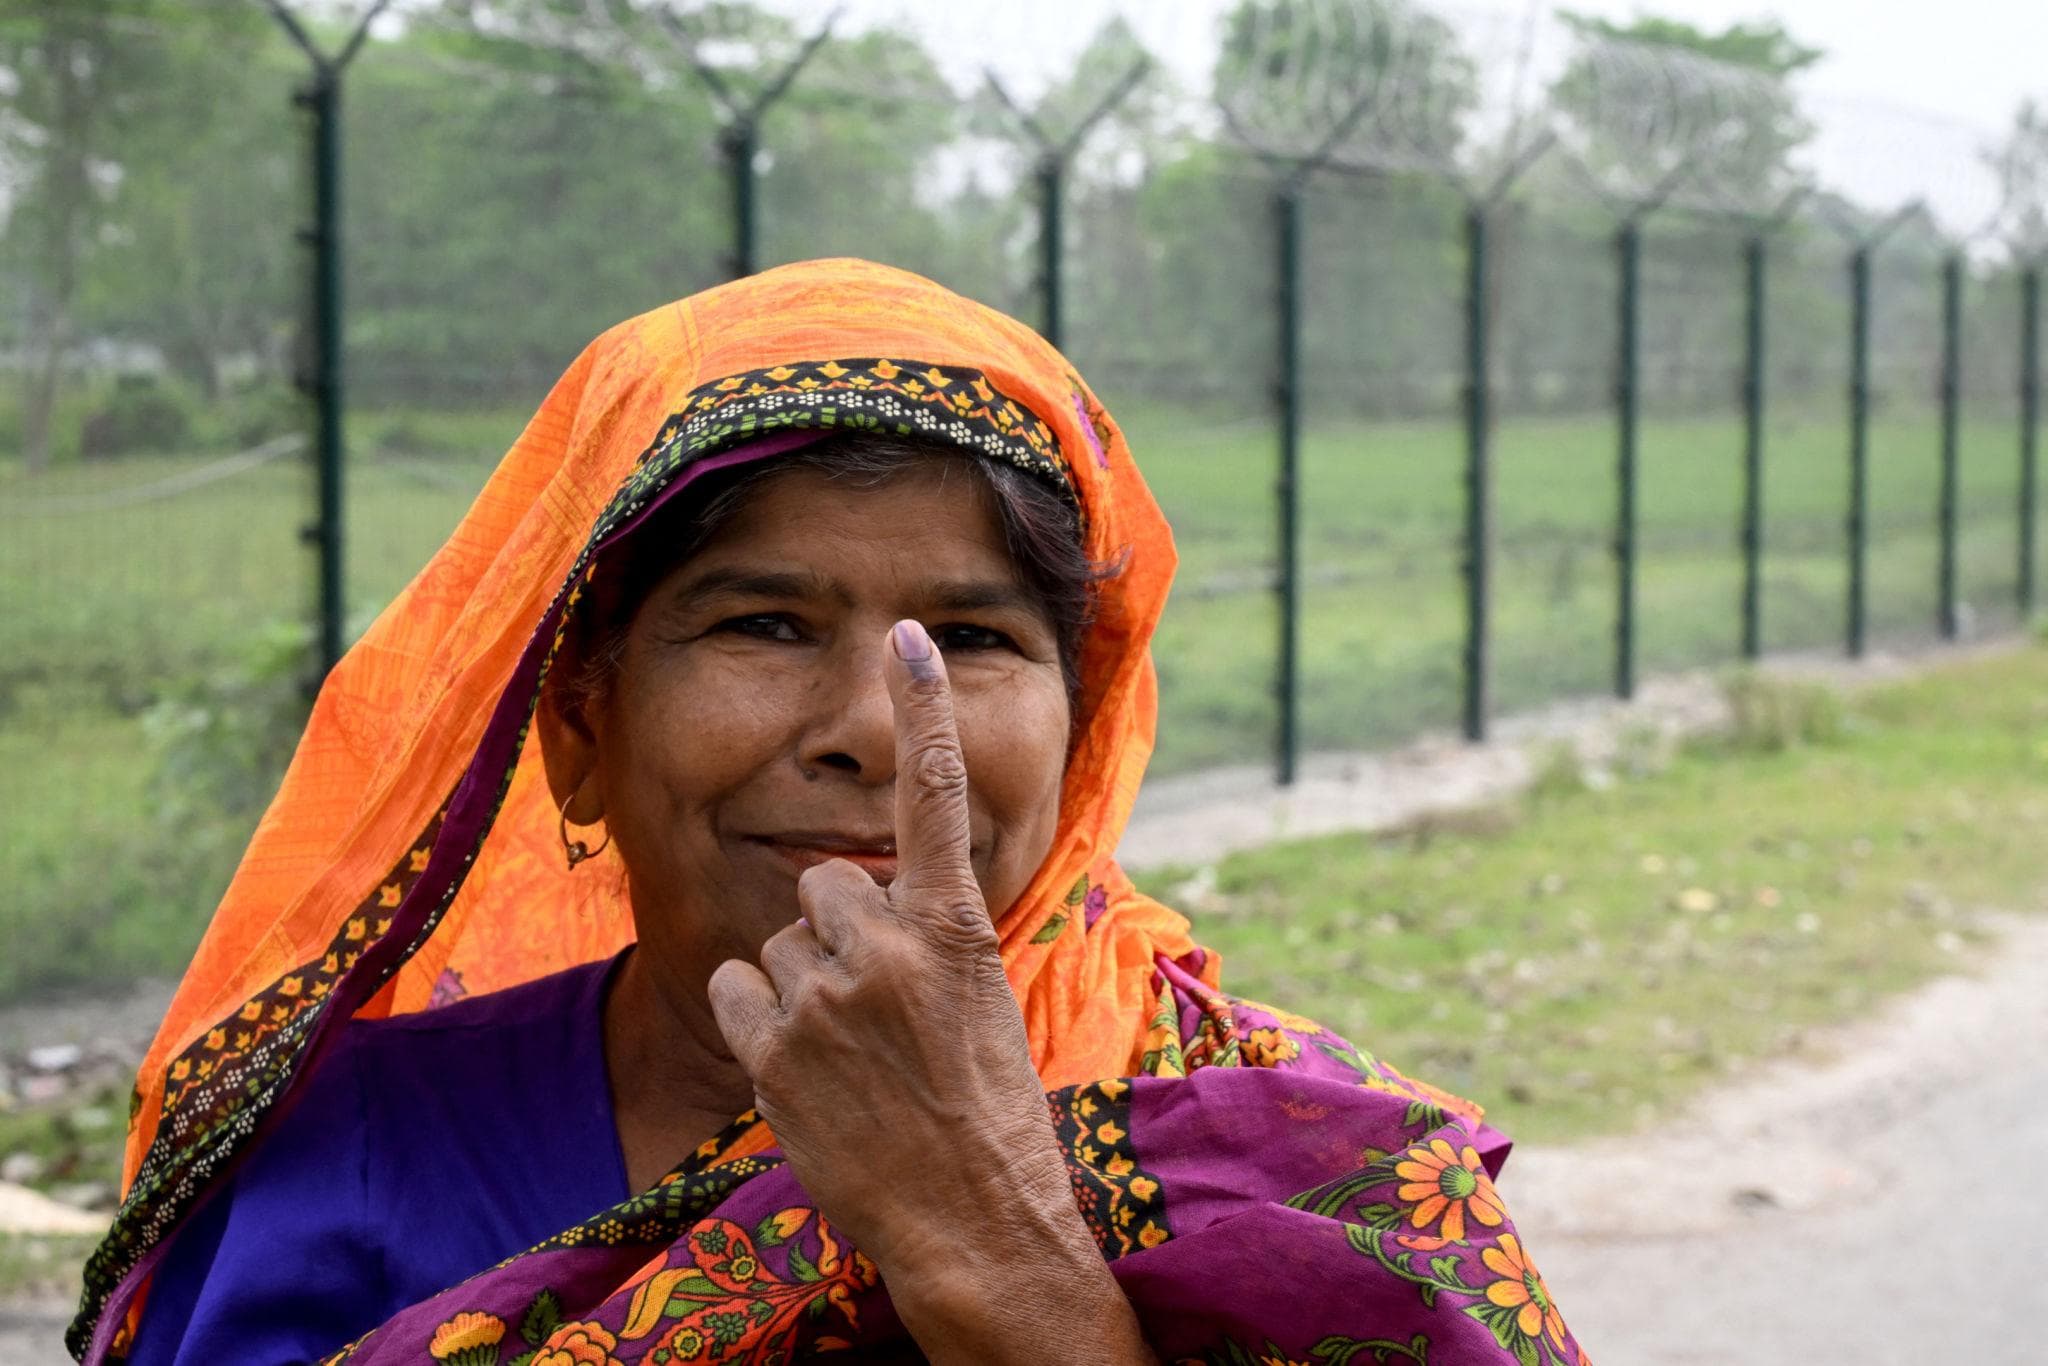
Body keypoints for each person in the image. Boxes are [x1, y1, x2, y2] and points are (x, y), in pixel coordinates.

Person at [72, 259, 1584, 1366]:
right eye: (765, 624)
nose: (873, 728)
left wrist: (990, 1241)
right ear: (582, 727)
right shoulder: (342, 1157)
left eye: (971, 640)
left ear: (1083, 729)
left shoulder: (1270, 1145)